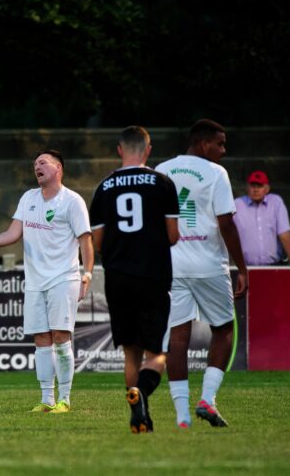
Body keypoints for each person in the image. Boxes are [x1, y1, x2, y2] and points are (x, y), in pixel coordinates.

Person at [0, 150, 93, 413]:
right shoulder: (28, 198)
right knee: (41, 338)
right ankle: (46, 401)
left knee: (61, 337)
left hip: (63, 278)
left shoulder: (72, 201)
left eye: (43, 163)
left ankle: (64, 399)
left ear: (58, 169)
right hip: (34, 281)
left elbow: (86, 241)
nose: (37, 167)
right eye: (34, 164)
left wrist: (87, 274)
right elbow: (13, 233)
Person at [154, 119, 249, 429]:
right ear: (202, 142)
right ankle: (207, 399)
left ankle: (182, 417)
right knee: (223, 329)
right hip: (209, 265)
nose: (223, 150)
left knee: (177, 338)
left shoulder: (163, 170)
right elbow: (226, 224)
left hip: (173, 266)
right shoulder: (215, 173)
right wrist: (242, 268)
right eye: (219, 144)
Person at [89, 126, 180, 433]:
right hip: (152, 276)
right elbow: (173, 235)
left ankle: (139, 416)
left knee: (131, 353)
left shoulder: (104, 187)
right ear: (148, 149)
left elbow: (97, 242)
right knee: (156, 355)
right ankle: (141, 394)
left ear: (119, 150)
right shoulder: (162, 183)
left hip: (117, 278)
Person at [233, 170, 290, 267]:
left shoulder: (275, 202)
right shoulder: (238, 204)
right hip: (245, 267)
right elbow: (226, 232)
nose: (256, 190)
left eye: (259, 186)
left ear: (267, 189)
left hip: (273, 266)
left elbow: (284, 233)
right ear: (247, 188)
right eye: (253, 186)